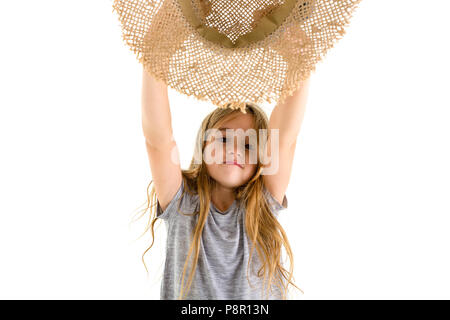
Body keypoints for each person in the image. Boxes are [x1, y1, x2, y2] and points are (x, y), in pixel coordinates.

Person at [137, 66, 310, 300]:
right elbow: (158, 140)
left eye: (248, 145)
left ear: (262, 160)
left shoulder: (262, 204)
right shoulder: (182, 203)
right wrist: (153, 62)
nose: (234, 150)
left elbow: (285, 139)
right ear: (204, 145)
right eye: (224, 138)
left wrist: (299, 61)